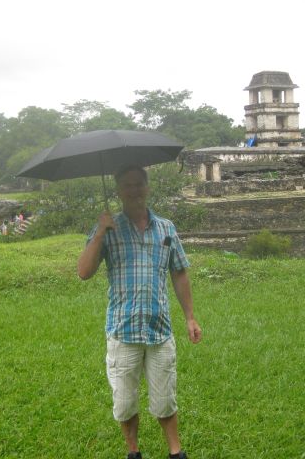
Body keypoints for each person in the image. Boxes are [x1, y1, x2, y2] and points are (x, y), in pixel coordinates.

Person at [78, 164, 202, 459]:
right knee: (124, 402)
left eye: (138, 184)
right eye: (127, 185)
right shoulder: (108, 228)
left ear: (147, 187)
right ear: (119, 191)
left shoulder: (166, 228)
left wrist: (190, 317)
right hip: (123, 329)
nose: (134, 190)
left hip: (159, 329)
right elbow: (84, 272)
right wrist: (99, 232)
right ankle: (133, 451)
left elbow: (179, 272)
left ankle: (175, 451)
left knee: (165, 398)